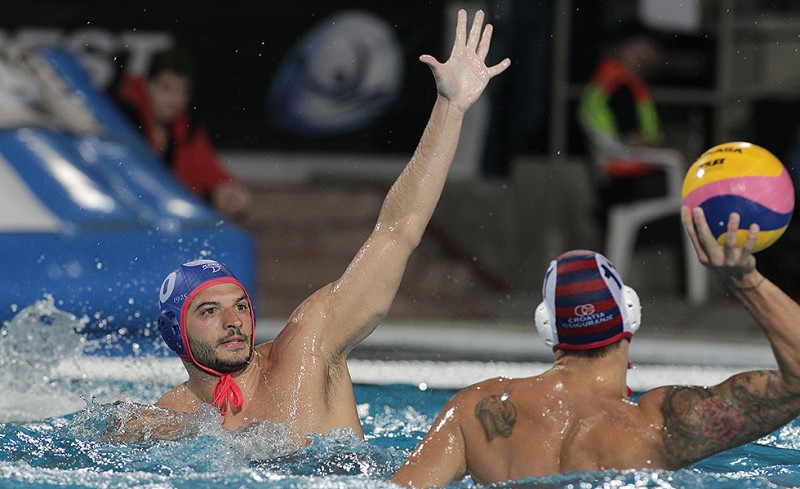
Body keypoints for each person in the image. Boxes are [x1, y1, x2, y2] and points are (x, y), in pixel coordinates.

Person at [108, 10, 510, 445]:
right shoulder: (164, 421)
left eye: (240, 305)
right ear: (175, 331)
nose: (234, 321)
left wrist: (450, 108)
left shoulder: (309, 346)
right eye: (209, 311)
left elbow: (397, 231)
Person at [390, 206, 800, 487]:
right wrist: (745, 280)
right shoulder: (661, 425)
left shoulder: (475, 411)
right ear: (630, 314)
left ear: (548, 327)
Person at [115, 45, 252, 217]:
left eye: (182, 92)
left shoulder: (187, 129)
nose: (174, 100)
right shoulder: (122, 120)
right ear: (146, 85)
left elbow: (209, 172)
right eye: (166, 88)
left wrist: (224, 193)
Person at [577, 24, 668, 205]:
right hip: (628, 177)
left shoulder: (604, 80)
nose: (650, 54)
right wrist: (674, 150)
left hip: (610, 176)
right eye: (644, 48)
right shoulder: (621, 87)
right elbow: (633, 140)